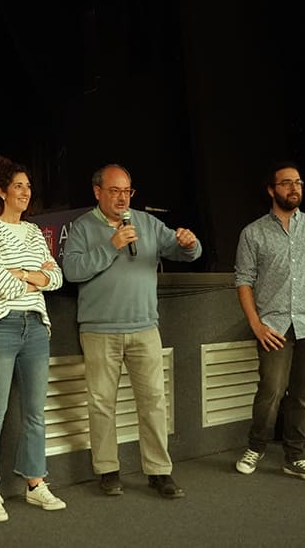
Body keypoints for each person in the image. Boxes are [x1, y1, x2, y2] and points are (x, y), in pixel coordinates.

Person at [62, 164, 201, 500]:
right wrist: (112, 245)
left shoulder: (147, 223)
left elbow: (186, 253)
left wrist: (190, 243)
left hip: (144, 328)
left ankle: (159, 472)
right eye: (115, 191)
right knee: (101, 404)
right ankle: (108, 471)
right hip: (99, 330)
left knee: (154, 401)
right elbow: (72, 270)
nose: (123, 197)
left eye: (128, 191)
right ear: (97, 192)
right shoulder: (82, 227)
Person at [0, 156, 66, 523]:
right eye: (18, 186)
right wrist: (32, 276)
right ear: (1, 191)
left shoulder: (35, 233)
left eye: (28, 186)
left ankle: (35, 484)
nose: (25, 192)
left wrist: (25, 274)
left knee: (34, 412)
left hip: (36, 326)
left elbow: (56, 277)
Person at [233, 160, 305, 481]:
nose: (294, 188)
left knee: (302, 395)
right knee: (270, 391)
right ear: (271, 189)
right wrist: (256, 325)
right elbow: (243, 282)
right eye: (286, 183)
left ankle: (295, 456)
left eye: (298, 182)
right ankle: (256, 446)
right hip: (274, 327)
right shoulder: (253, 233)